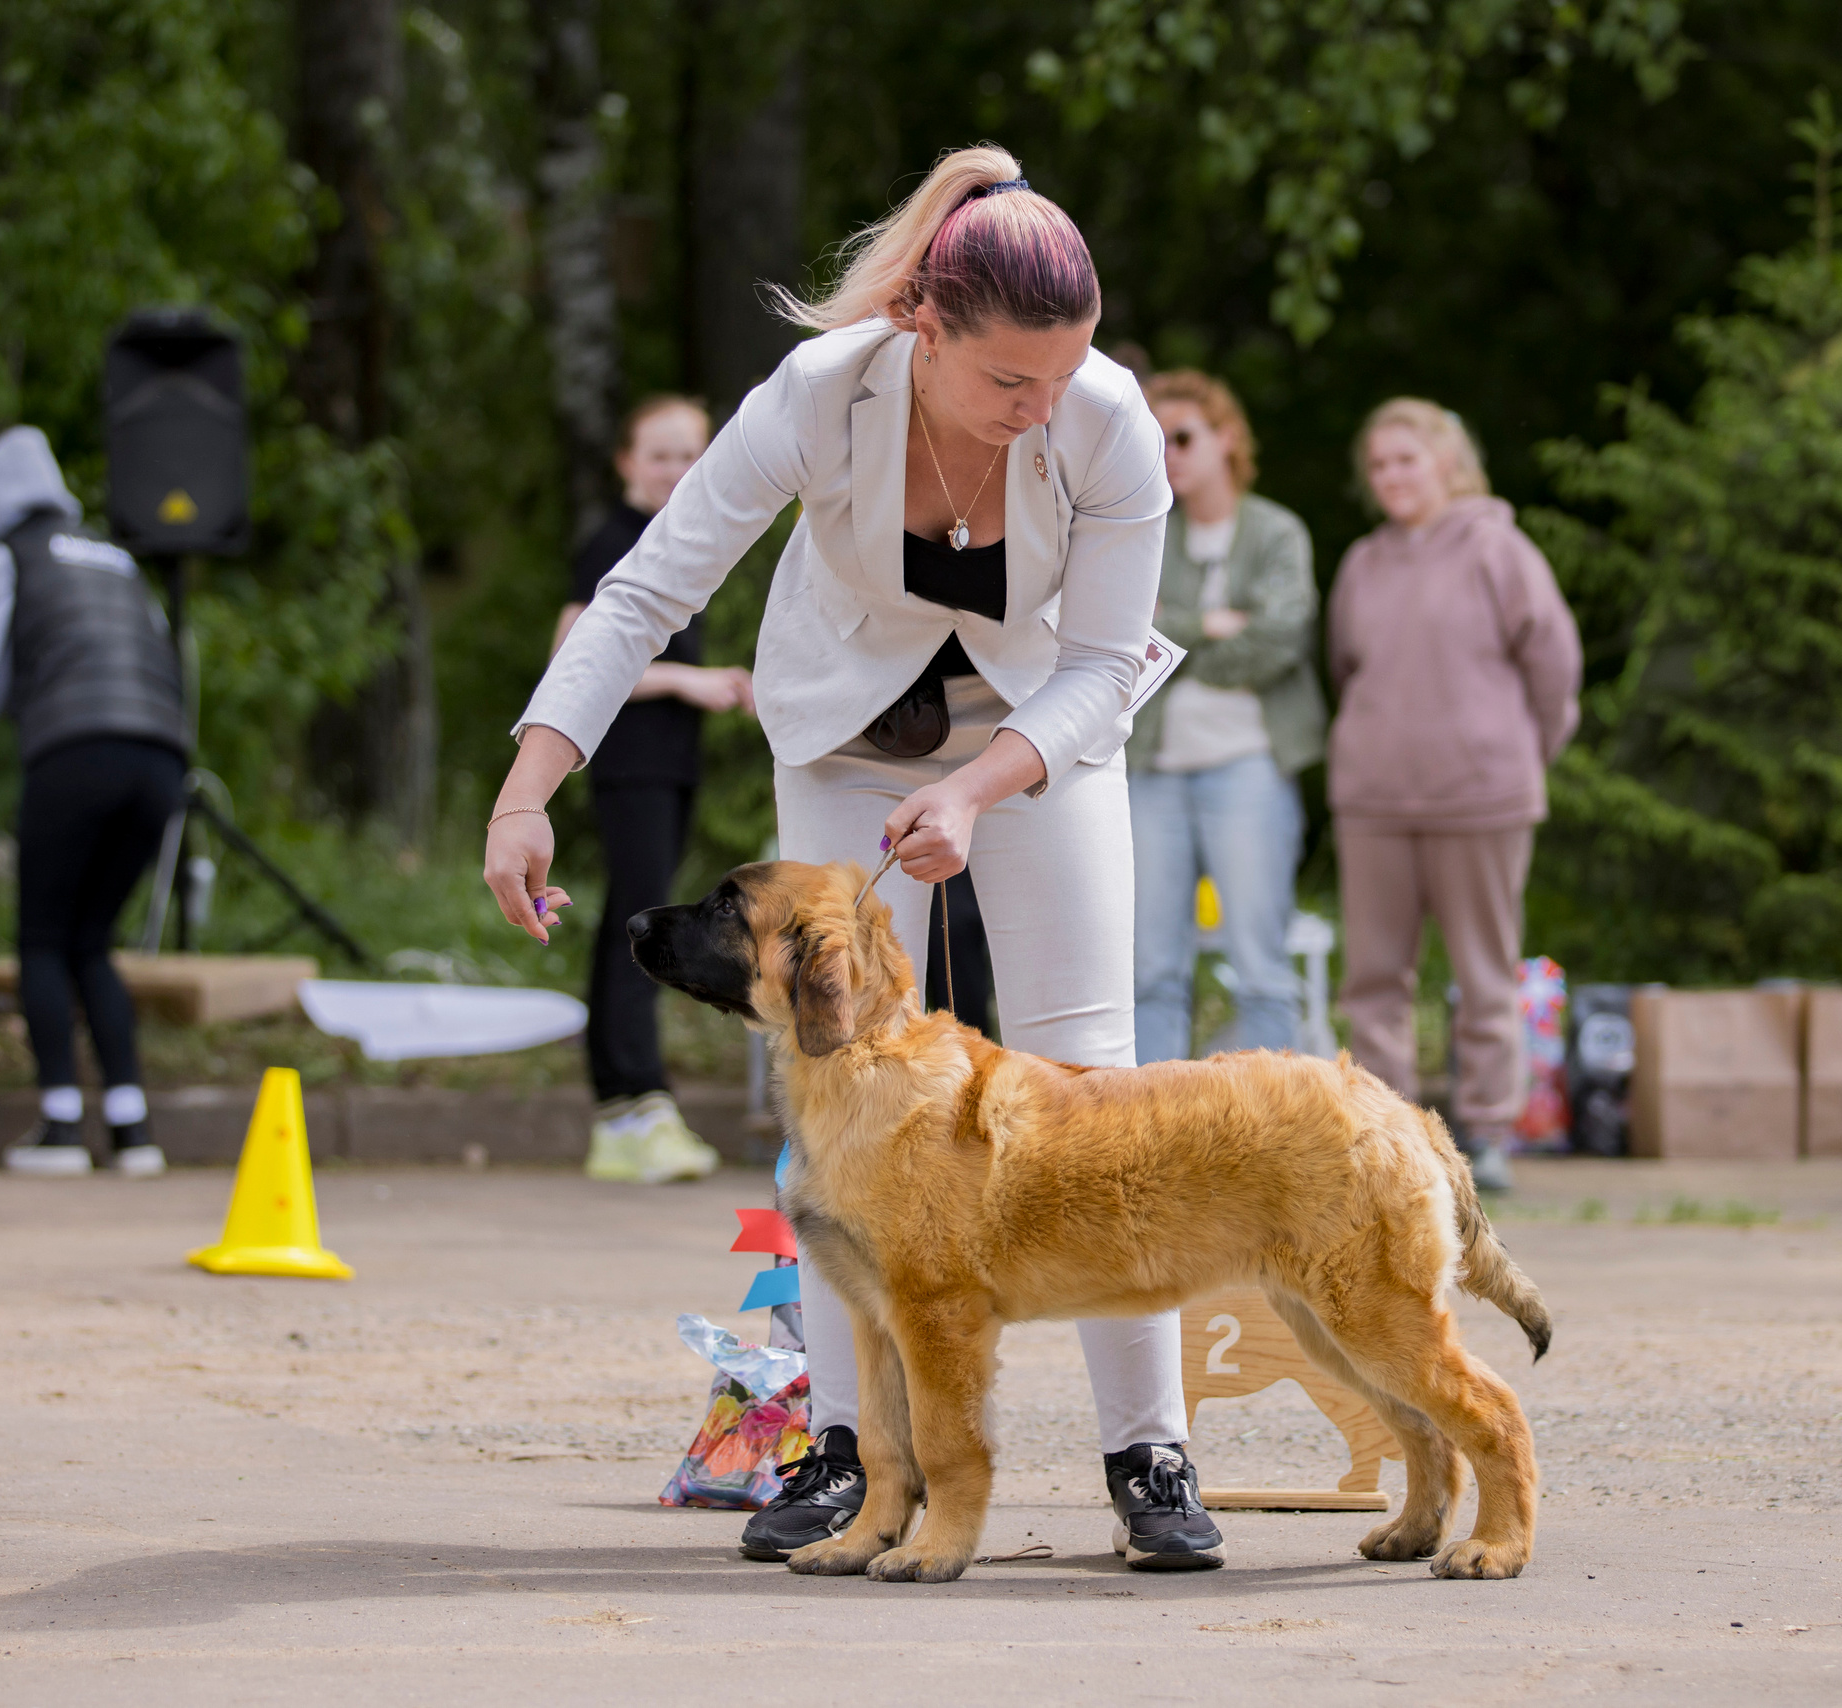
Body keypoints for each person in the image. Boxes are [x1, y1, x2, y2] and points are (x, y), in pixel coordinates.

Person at [484, 145, 1226, 1571]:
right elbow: (649, 589)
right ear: (920, 330)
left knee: (1098, 1075)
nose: (1042, 408)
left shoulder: (1108, 421)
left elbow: (1101, 661)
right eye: (1011, 382)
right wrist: (531, 785)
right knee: (832, 1079)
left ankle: (1150, 1447)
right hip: (840, 736)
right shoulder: (817, 399)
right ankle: (837, 1443)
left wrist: (985, 787)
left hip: (1038, 735)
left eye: (1063, 376)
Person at [1327, 399, 1580, 1195]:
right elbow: (1344, 668)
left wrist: (1513, 754)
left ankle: (1491, 1132)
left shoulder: (1499, 550)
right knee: (1373, 976)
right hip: (1374, 798)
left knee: (1483, 972)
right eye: (1378, 466)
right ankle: (1387, 1138)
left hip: (1483, 798)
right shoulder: (1363, 563)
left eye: (1406, 459)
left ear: (1447, 462)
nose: (1392, 477)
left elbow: (1556, 671)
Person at [0, 427, 189, 1177]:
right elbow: (158, 654)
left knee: (44, 937)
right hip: (160, 758)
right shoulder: (114, 557)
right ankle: (131, 1127)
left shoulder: (6, 559)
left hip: (72, 752)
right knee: (92, 941)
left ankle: (58, 1124)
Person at [552, 396, 756, 1184]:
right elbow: (574, 654)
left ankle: (631, 1102)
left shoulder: (678, 540)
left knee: (634, 917)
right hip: (627, 762)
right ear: (627, 462)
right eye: (659, 455)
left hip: (669, 766)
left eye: (688, 456)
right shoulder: (610, 541)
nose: (675, 470)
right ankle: (629, 1100)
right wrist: (689, 682)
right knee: (638, 926)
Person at [1126, 369, 1324, 1064]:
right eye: (1158, 439)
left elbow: (1280, 641)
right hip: (1150, 770)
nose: (1169, 453)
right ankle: (1154, 1137)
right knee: (1149, 969)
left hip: (1249, 767)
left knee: (1261, 966)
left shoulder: (1276, 532)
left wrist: (1180, 637)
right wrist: (1215, 623)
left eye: (1183, 436)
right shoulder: (1145, 531)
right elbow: (1125, 636)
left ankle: (1278, 1141)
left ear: (1228, 437)